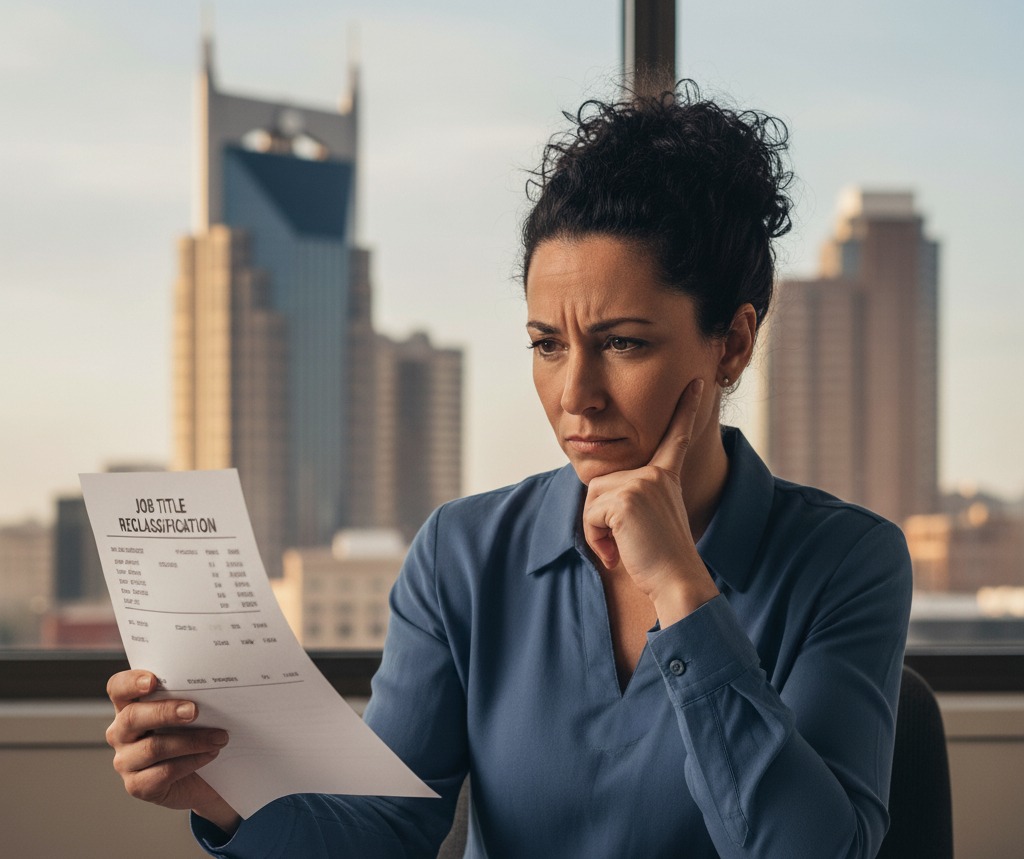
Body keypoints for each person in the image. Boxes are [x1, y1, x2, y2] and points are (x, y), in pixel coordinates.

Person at [106, 82, 912, 858]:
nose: (575, 394)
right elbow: (384, 832)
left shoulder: (848, 561)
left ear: (732, 343)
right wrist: (224, 789)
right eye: (547, 344)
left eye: (623, 342)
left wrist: (681, 588)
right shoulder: (462, 552)